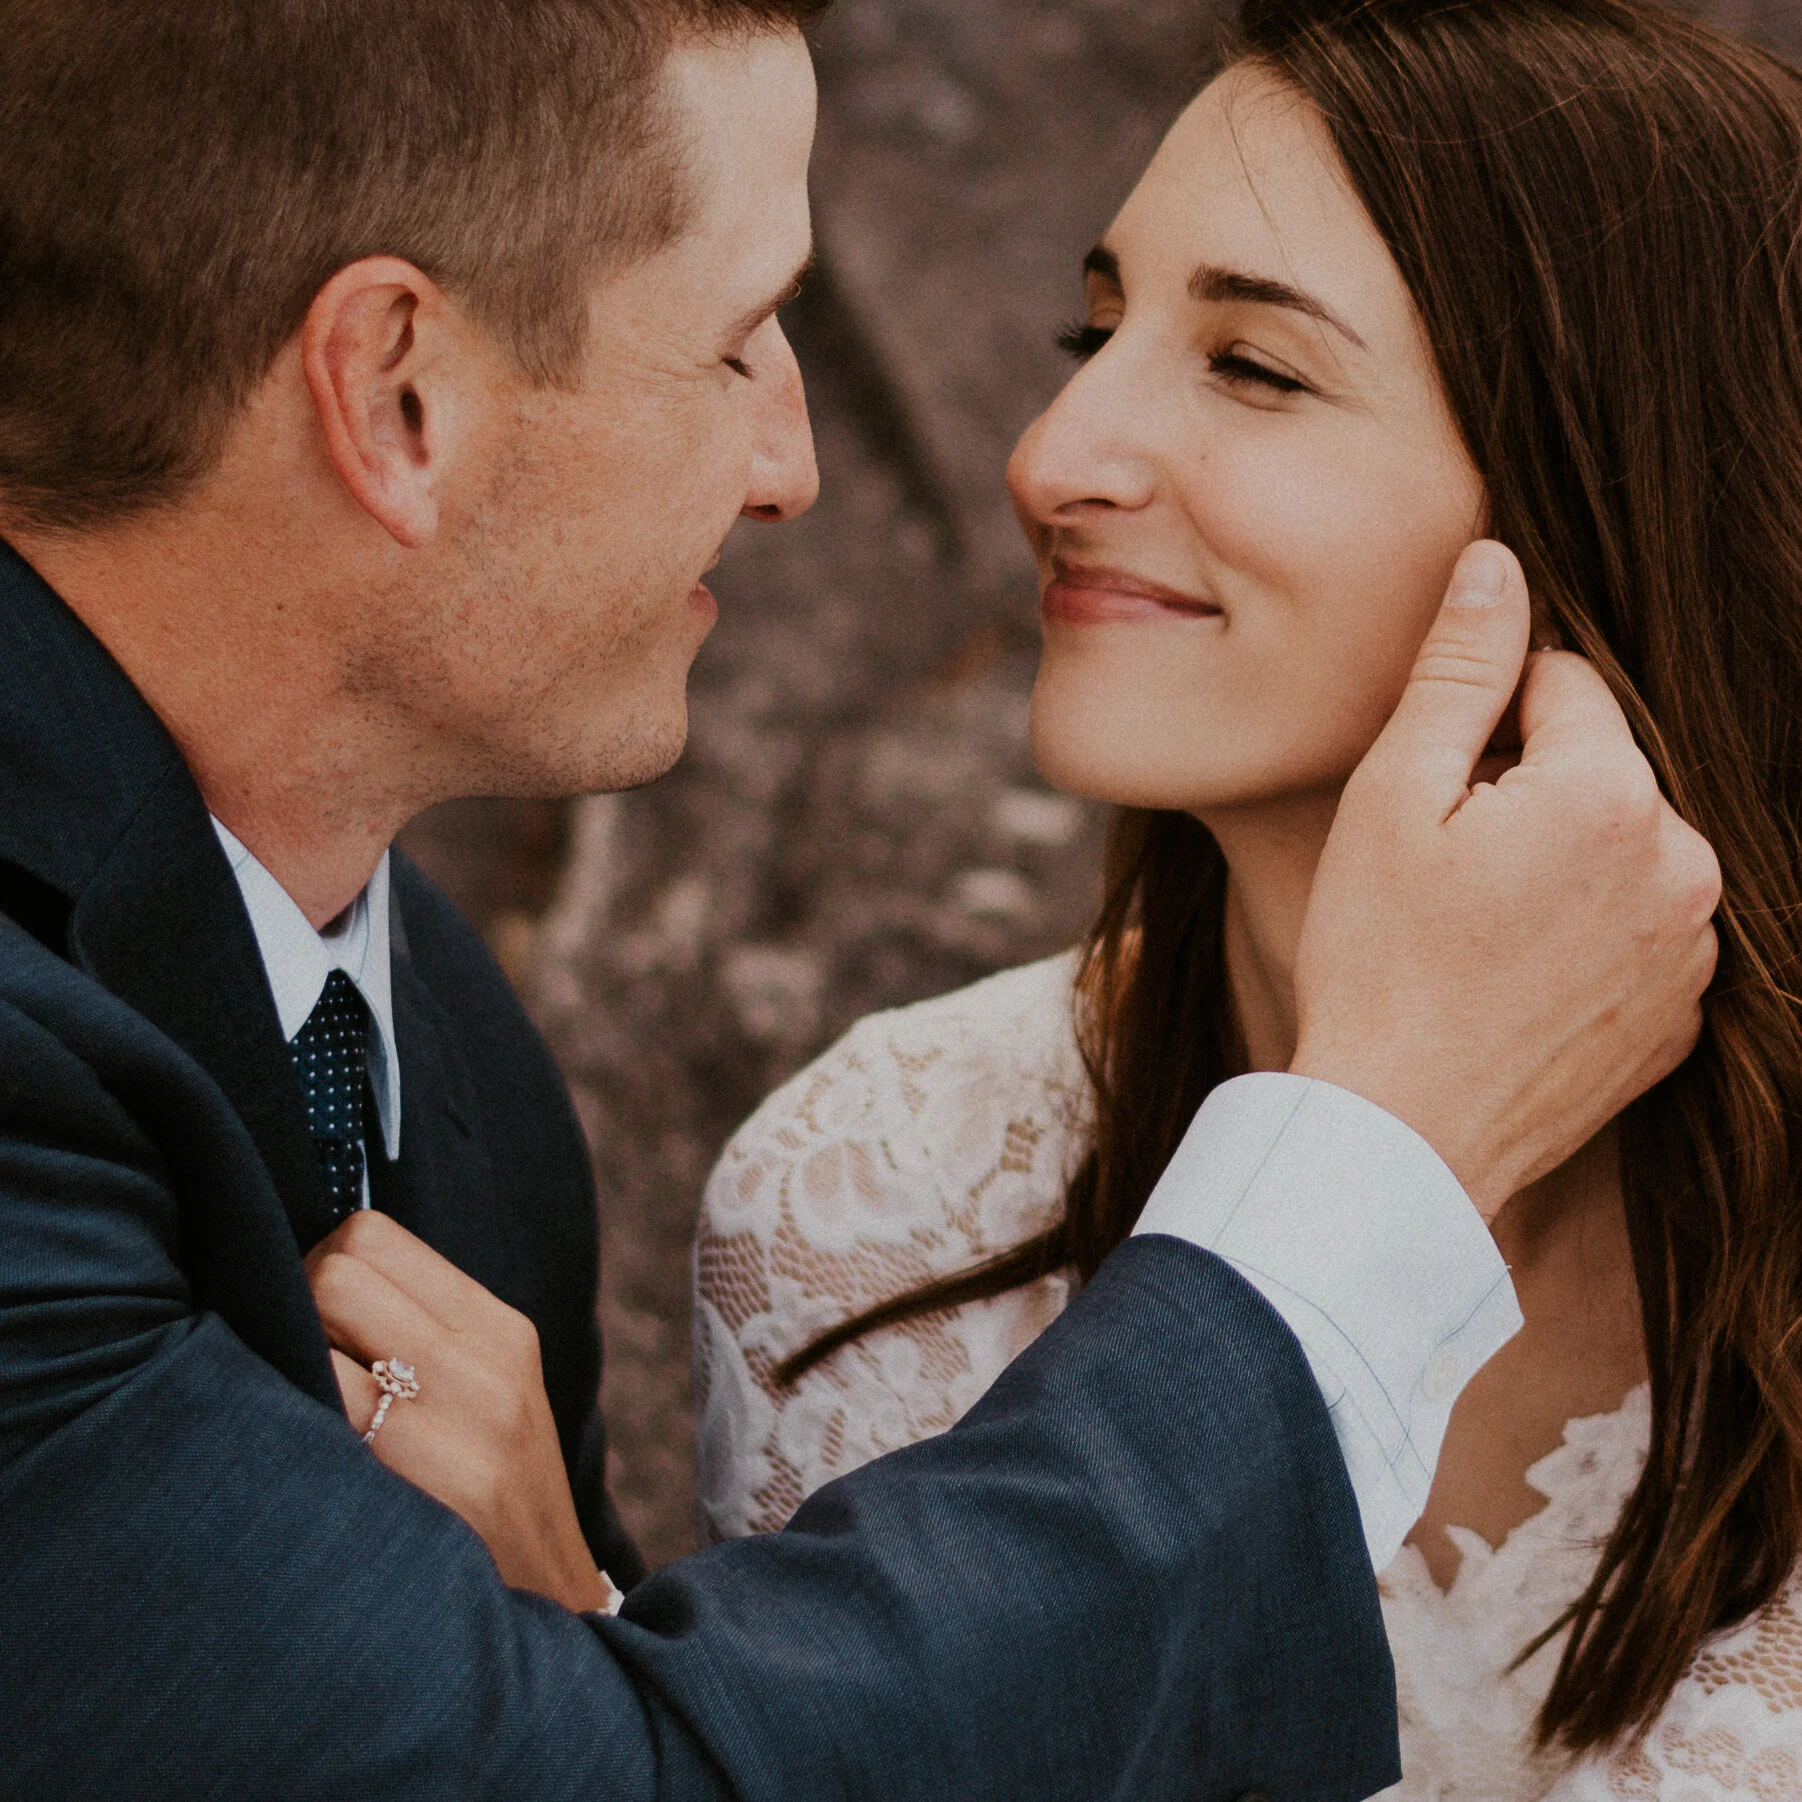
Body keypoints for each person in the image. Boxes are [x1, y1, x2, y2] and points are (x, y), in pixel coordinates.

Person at [0, 0, 1714, 1798]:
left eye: (1257, 368)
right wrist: (1383, 1152)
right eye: (743, 341)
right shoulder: (878, 1194)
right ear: (397, 393)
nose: (795, 468)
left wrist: (572, 1627)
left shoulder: (435, 1043)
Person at [695, 0, 1800, 1796]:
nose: (1053, 454)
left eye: (1254, 369)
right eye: (1098, 327)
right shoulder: (872, 1200)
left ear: (1612, 489)